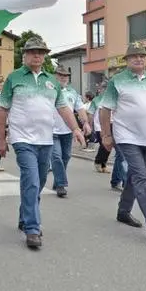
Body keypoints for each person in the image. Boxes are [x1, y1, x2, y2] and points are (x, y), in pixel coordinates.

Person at [0, 37, 86, 249]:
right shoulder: (14, 78)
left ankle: (25, 217)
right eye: (33, 52)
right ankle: (33, 229)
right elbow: (2, 110)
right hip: (22, 139)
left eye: (41, 52)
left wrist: (76, 129)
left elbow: (63, 108)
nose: (37, 55)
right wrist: (0, 139)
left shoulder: (51, 81)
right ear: (25, 55)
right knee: (32, 180)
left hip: (45, 139)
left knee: (36, 183)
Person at [99, 42, 146, 240]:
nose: (139, 59)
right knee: (141, 176)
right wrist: (106, 135)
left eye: (142, 56)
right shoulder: (117, 81)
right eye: (134, 56)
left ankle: (123, 211)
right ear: (127, 60)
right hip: (126, 135)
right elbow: (105, 109)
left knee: (134, 176)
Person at [50, 65, 91, 198]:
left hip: (67, 130)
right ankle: (61, 184)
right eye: (60, 75)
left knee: (66, 157)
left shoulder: (73, 93)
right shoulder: (48, 90)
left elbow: (80, 109)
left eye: (65, 76)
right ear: (55, 76)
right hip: (51, 130)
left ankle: (57, 181)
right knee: (56, 157)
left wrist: (85, 123)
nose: (63, 78)